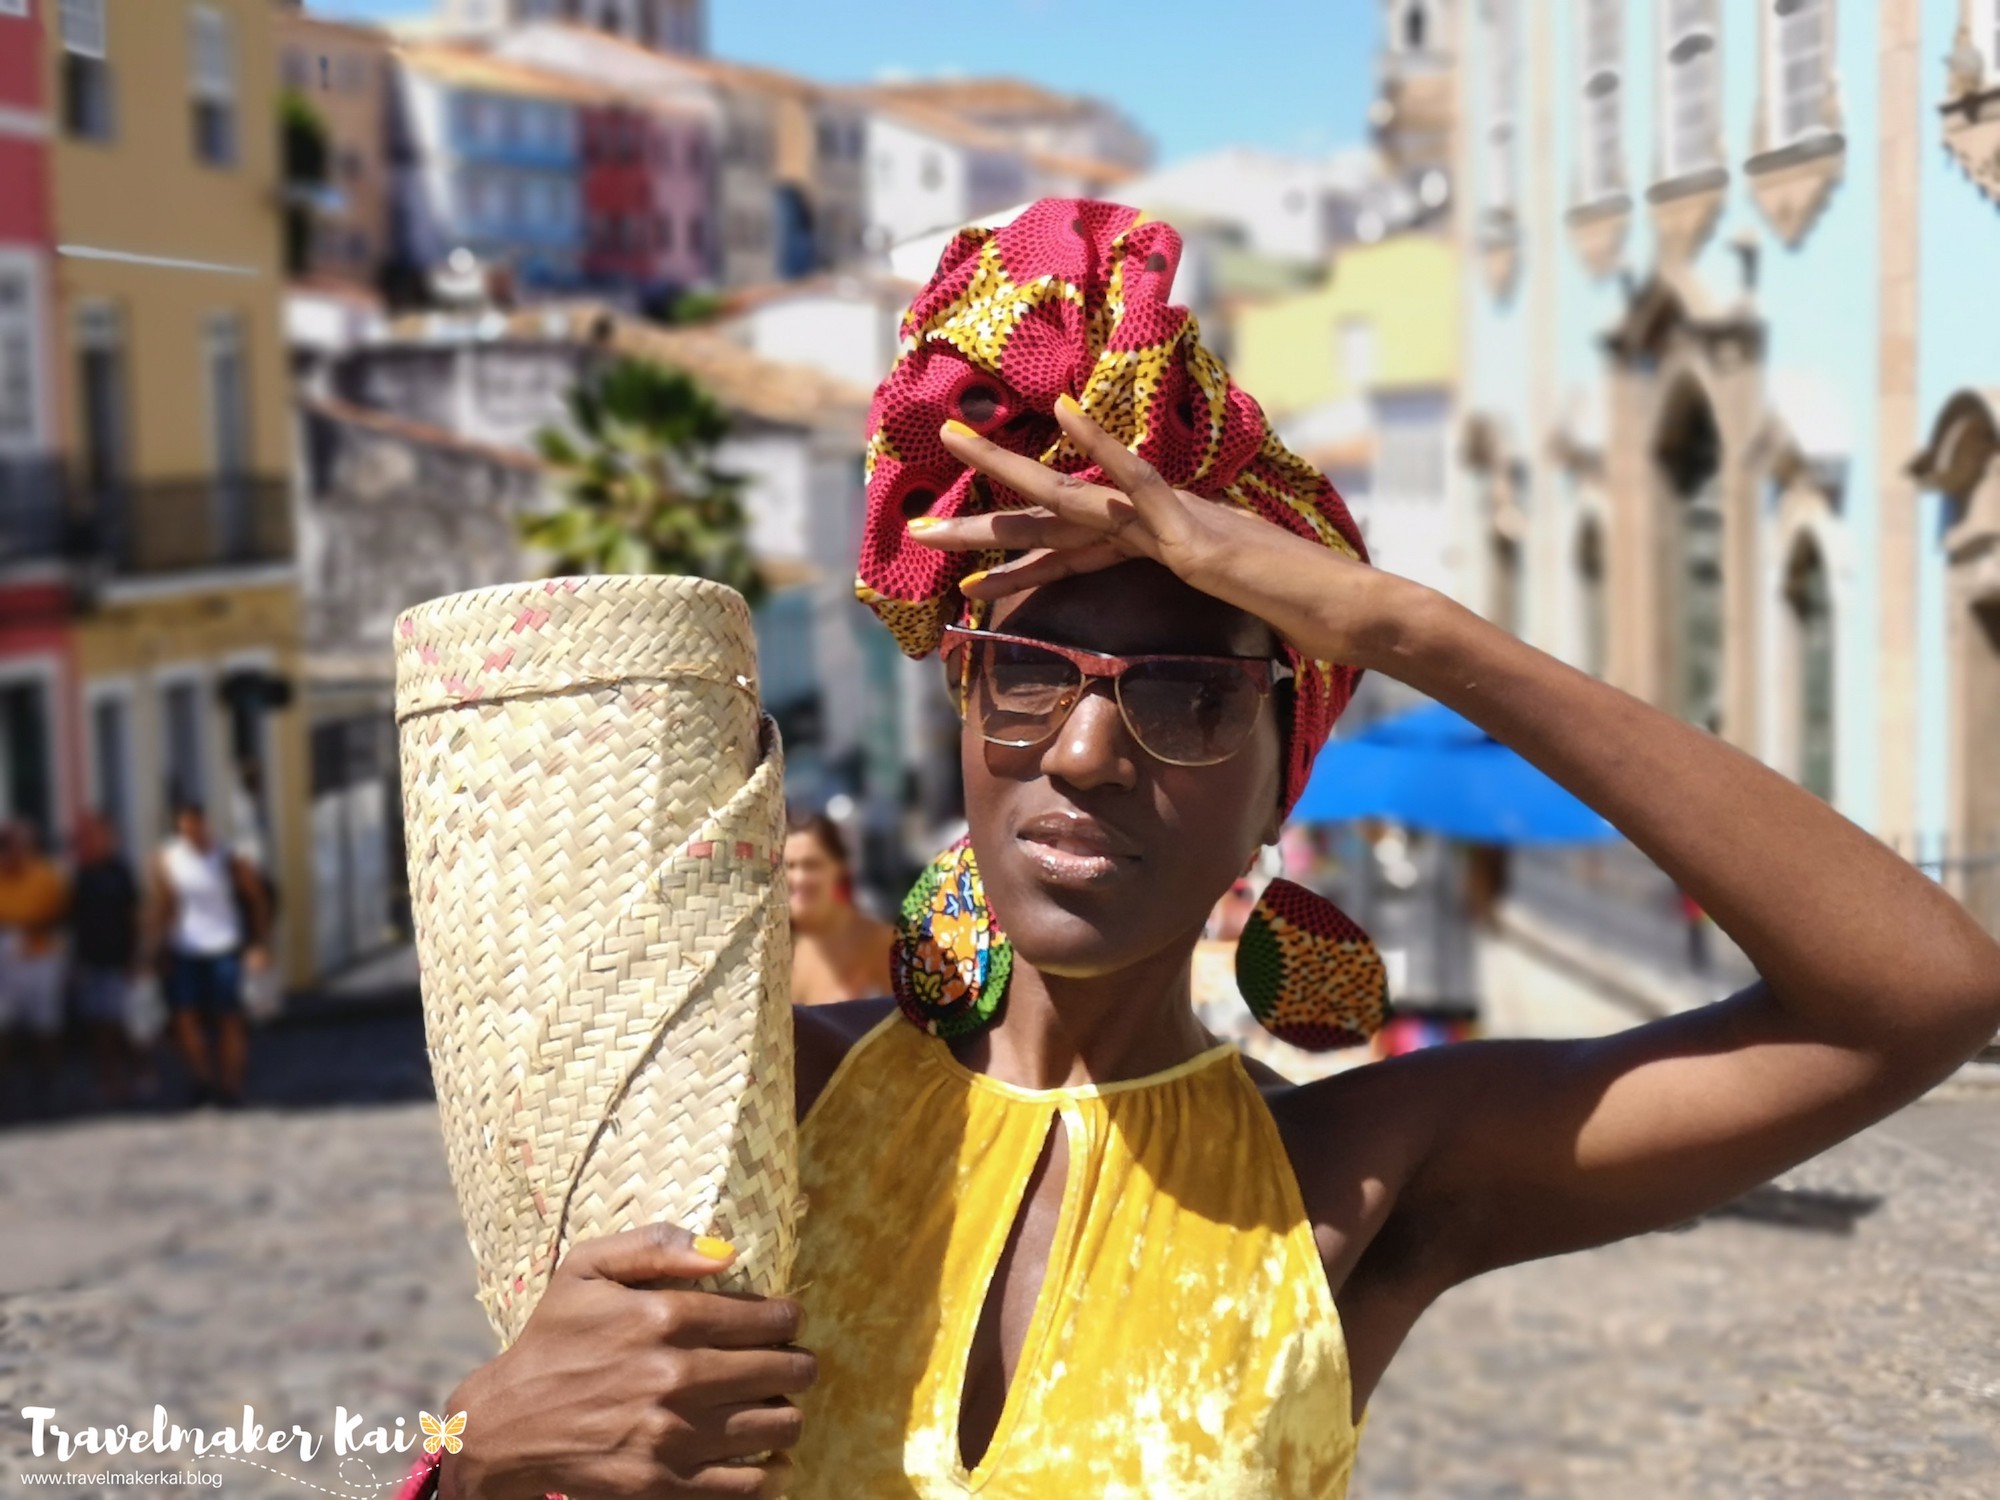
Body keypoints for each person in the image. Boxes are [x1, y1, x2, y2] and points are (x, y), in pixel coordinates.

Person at [409, 201, 2000, 1500]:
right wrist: (474, 1458)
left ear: (1274, 786)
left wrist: (1400, 628)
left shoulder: (1359, 1179)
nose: (1086, 752)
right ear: (963, 705)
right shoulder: (760, 1112)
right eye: (1027, 674)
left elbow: (1915, 995)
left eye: (1187, 696)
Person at [149, 801, 269, 1108]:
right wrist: (155, 946)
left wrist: (259, 943)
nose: (191, 832)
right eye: (185, 827)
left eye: (195, 825)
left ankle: (230, 1083)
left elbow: (256, 898)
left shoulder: (228, 858)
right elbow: (166, 905)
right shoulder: (169, 860)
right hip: (185, 947)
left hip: (224, 944)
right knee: (184, 1016)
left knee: (228, 1016)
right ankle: (201, 1078)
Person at [70, 812, 143, 1108]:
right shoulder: (83, 875)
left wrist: (135, 957)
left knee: (122, 1022)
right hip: (92, 960)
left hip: (119, 959)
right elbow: (76, 921)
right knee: (99, 1025)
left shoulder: (121, 873)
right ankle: (108, 1079)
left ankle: (136, 1074)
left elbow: (133, 917)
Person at [783, 812, 894, 1006]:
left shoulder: (878, 942)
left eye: (812, 865)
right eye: (789, 866)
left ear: (839, 867)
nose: (799, 878)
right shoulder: (766, 948)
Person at [0, 820, 69, 1115]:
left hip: (41, 958)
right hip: (5, 960)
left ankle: (46, 1088)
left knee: (46, 1026)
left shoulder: (46, 874)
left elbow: (64, 915)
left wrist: (31, 928)